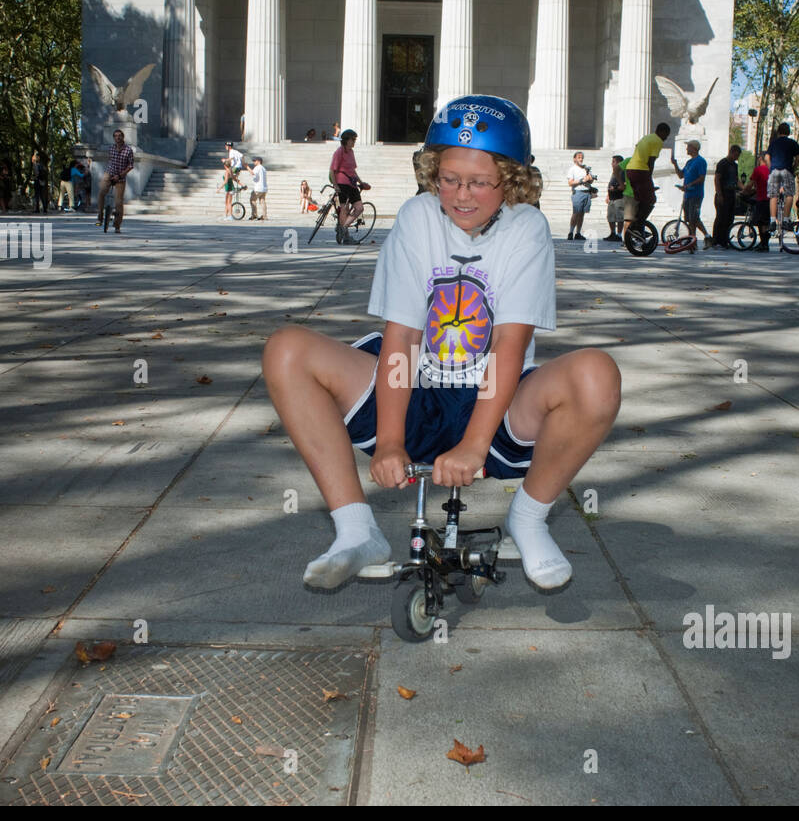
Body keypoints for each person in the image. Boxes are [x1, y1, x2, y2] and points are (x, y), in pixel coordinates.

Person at [260, 93, 620, 592]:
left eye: (479, 182)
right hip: (416, 390)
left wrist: (474, 445)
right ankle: (356, 530)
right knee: (286, 348)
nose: (461, 195)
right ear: (432, 173)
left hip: (497, 404)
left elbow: (508, 346)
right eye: (449, 179)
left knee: (597, 375)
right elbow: (403, 338)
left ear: (512, 180)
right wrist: (389, 441)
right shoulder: (417, 217)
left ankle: (530, 518)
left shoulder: (527, 227)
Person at [621, 122, 671, 245]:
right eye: (666, 135)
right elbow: (651, 161)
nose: (666, 138)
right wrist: (649, 178)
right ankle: (638, 225)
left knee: (641, 198)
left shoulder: (647, 137)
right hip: (641, 170)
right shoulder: (658, 141)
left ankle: (637, 225)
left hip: (631, 170)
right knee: (651, 199)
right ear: (662, 132)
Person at [330, 129, 370, 242]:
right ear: (346, 140)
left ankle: (342, 228)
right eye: (352, 139)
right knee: (344, 209)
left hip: (352, 184)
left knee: (359, 208)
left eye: (355, 140)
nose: (354, 142)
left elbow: (353, 171)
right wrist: (335, 185)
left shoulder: (351, 152)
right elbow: (332, 170)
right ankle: (346, 236)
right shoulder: (339, 152)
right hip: (342, 183)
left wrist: (361, 182)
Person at [671, 139, 711, 249]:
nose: (686, 149)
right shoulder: (689, 162)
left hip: (696, 193)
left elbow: (701, 178)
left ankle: (707, 236)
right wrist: (675, 164)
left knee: (694, 217)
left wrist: (689, 185)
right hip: (687, 194)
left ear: (694, 148)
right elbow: (681, 175)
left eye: (688, 146)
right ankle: (692, 242)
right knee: (689, 219)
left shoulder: (700, 161)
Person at [94, 129, 134, 233]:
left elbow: (130, 166)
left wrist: (120, 175)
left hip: (121, 177)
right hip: (109, 173)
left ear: (123, 137)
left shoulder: (128, 150)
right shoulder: (111, 148)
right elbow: (111, 161)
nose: (118, 138)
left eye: (120, 136)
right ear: (114, 138)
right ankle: (100, 217)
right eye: (115, 136)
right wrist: (111, 175)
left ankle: (117, 225)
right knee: (101, 192)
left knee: (118, 202)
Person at [766, 123, 799, 230]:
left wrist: (771, 168)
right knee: (789, 195)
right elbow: (798, 159)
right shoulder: (792, 143)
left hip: (775, 171)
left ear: (778, 131)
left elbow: (767, 157)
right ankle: (786, 219)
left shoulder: (774, 143)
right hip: (787, 170)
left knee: (773, 195)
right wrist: (793, 169)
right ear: (788, 132)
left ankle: (772, 220)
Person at [711, 144, 742, 248]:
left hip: (731, 194)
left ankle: (725, 239)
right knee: (720, 218)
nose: (736, 158)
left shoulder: (735, 165)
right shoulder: (722, 163)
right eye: (736, 155)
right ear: (731, 152)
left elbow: (736, 179)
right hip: (723, 193)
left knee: (729, 218)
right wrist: (719, 194)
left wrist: (743, 188)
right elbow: (717, 179)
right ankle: (716, 240)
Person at [565, 151, 594, 241]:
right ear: (574, 159)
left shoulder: (586, 169)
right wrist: (582, 180)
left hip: (586, 192)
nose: (581, 159)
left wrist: (590, 179)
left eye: (582, 157)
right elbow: (570, 182)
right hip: (577, 192)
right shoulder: (572, 169)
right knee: (576, 213)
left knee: (582, 214)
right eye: (579, 157)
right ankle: (571, 232)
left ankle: (578, 233)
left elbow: (591, 181)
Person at [745, 151, 770, 251]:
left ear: (760, 159)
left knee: (760, 222)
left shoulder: (758, 170)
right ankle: (765, 243)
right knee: (766, 222)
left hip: (761, 198)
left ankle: (763, 243)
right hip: (770, 200)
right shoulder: (771, 170)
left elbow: (750, 184)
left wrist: (744, 191)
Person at [605, 155, 625, 241]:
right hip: (612, 198)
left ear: (619, 163)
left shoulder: (622, 172)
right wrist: (608, 195)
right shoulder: (614, 172)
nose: (611, 164)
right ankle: (612, 233)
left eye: (614, 162)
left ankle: (619, 234)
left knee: (620, 217)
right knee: (610, 216)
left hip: (619, 197)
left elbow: (624, 185)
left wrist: (615, 188)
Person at [249, 155, 268, 220]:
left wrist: (247, 167)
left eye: (255, 161)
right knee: (262, 201)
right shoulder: (263, 168)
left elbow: (252, 173)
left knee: (252, 200)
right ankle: (264, 216)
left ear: (259, 161)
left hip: (258, 188)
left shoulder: (258, 167)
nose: (254, 162)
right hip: (264, 188)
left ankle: (254, 214)